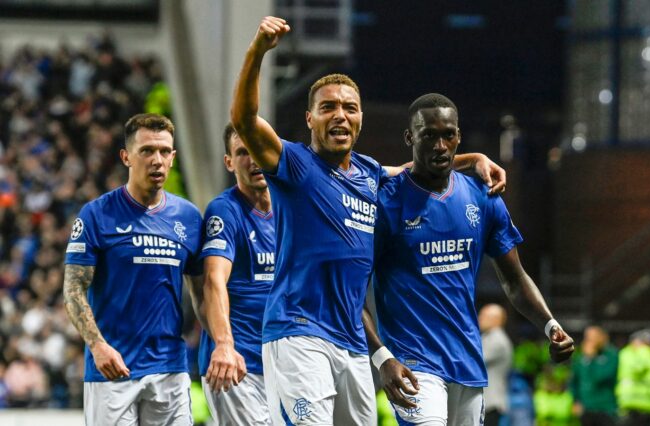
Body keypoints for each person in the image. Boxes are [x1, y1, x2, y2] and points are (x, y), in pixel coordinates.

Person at [230, 16, 507, 425]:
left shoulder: (369, 173)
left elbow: (417, 168)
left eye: (349, 107)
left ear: (360, 119)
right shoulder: (294, 163)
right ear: (310, 119)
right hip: (298, 333)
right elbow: (244, 121)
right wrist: (256, 52)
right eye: (328, 108)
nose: (339, 115)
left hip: (353, 342)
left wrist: (474, 159)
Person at [366, 93, 575, 425]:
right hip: (413, 364)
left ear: (458, 137)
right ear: (410, 138)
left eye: (448, 134)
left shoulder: (483, 197)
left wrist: (550, 325)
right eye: (428, 135)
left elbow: (515, 278)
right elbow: (351, 291)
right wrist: (382, 357)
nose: (440, 145)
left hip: (467, 364)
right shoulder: (384, 202)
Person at [63, 113, 203, 425]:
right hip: (112, 370)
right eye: (147, 151)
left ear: (173, 157)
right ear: (127, 157)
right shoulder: (97, 215)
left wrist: (220, 344)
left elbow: (203, 293)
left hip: (170, 368)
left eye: (165, 151)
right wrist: (98, 346)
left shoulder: (189, 218)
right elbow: (73, 289)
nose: (157, 160)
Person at [196, 123, 276, 425]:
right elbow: (214, 280)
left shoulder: (289, 208)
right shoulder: (225, 211)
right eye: (243, 152)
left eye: (258, 149)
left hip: (284, 363)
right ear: (229, 162)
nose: (254, 160)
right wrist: (225, 345)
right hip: (238, 365)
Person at [570, 325, 619, 426]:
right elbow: (574, 381)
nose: (589, 340)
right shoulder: (580, 358)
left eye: (592, 336)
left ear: (602, 337)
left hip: (606, 408)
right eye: (587, 336)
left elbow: (602, 377)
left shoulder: (611, 355)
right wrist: (575, 400)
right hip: (586, 408)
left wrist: (591, 358)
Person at [615, 328, 650, 426]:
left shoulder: (623, 353)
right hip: (644, 401)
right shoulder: (645, 352)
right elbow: (639, 368)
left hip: (630, 402)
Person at [479, 304, 514, 426]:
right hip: (486, 402)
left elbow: (475, 360)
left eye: (484, 315)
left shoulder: (497, 339)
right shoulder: (488, 337)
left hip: (490, 403)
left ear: (496, 319)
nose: (479, 318)